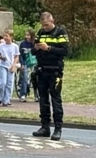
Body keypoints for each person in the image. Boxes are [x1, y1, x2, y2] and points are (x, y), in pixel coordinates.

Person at [32, 12, 68, 141]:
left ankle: (58, 128)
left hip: (55, 71)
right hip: (42, 70)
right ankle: (45, 127)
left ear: (52, 21)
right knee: (43, 99)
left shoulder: (60, 32)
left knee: (55, 99)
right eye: (43, 25)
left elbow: (65, 51)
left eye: (46, 25)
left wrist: (49, 48)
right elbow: (33, 51)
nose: (45, 27)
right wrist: (36, 48)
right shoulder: (40, 32)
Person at [0, 31, 20, 106]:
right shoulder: (2, 45)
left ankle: (6, 100)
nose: (5, 38)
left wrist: (14, 65)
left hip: (11, 66)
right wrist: (0, 57)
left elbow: (16, 56)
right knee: (2, 83)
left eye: (7, 36)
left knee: (9, 83)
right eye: (4, 36)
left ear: (11, 37)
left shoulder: (15, 46)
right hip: (2, 65)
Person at [18, 29, 35, 102]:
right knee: (25, 77)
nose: (26, 36)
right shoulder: (23, 44)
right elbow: (21, 55)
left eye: (28, 35)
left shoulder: (34, 43)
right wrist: (22, 64)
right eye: (26, 35)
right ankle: (23, 94)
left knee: (35, 77)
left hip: (34, 62)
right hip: (25, 62)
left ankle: (37, 95)